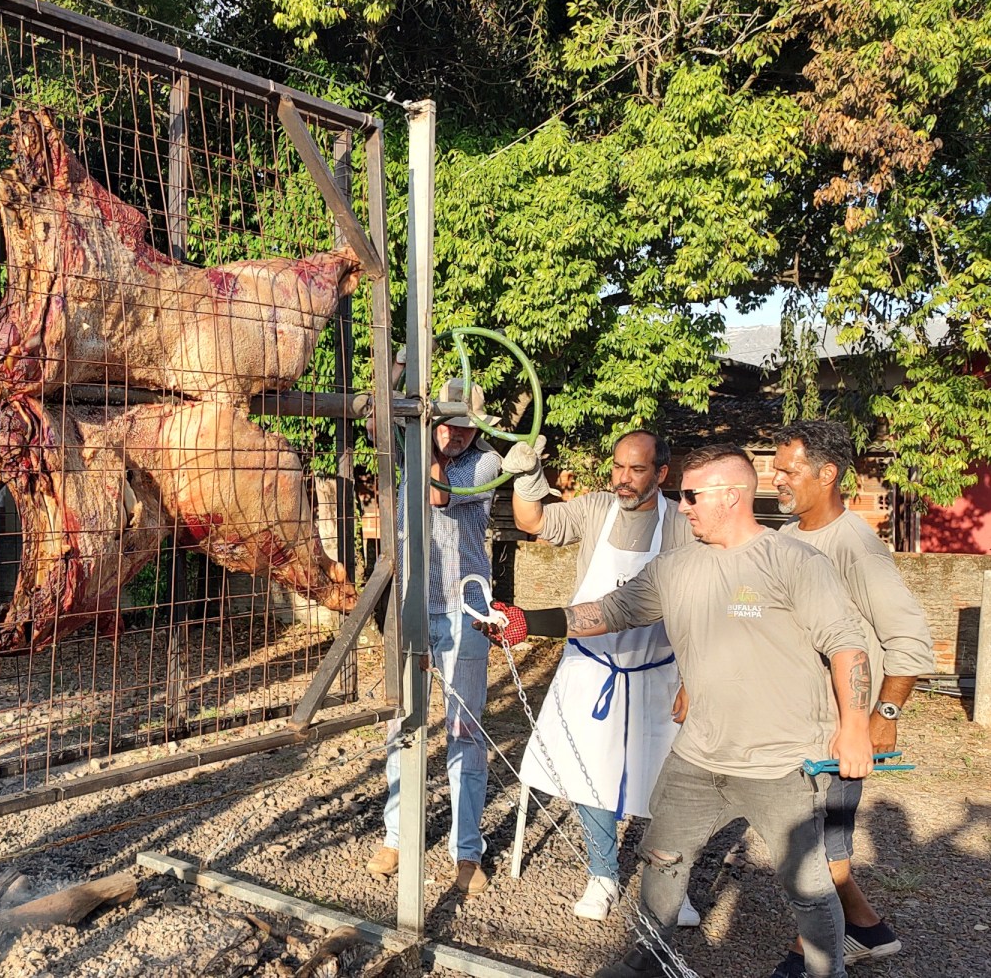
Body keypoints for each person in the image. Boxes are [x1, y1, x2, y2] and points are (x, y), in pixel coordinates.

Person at [487, 444, 873, 978]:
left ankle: (827, 970)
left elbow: (847, 644)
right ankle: (644, 962)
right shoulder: (677, 567)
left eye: (691, 495)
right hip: (697, 755)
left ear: (732, 496)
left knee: (807, 888)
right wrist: (526, 620)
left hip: (781, 761)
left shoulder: (793, 561)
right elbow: (611, 611)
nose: (682, 505)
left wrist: (855, 729)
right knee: (661, 862)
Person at [759, 419, 934, 977]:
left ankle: (815, 951)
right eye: (775, 467)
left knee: (816, 843)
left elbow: (909, 636)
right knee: (818, 837)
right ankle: (868, 929)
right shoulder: (786, 538)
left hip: (839, 727)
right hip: (792, 720)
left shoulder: (854, 544)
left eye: (788, 469)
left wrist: (882, 716)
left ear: (827, 473)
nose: (776, 477)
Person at [505, 430, 698, 924]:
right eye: (618, 467)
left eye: (637, 470)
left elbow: (701, 609)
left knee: (668, 779)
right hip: (592, 666)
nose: (624, 479)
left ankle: (673, 885)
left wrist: (695, 681)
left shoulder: (682, 525)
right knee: (592, 772)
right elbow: (532, 519)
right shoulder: (593, 508)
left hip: (659, 671)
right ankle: (602, 874)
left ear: (662, 473)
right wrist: (528, 479)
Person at [366, 367, 503, 897]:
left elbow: (438, 496)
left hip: (465, 610)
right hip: (411, 607)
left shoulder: (484, 463)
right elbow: (386, 423)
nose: (457, 432)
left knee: (464, 731)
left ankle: (466, 851)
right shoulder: (413, 450)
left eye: (465, 425)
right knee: (400, 723)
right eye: (447, 422)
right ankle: (398, 836)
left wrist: (424, 439)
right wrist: (408, 417)